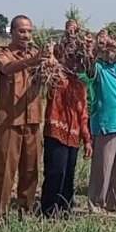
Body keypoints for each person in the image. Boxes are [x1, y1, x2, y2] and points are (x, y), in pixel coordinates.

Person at [0, 15, 46, 219]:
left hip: (32, 119)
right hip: (9, 122)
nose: (26, 35)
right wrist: (31, 61)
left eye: (29, 31)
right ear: (12, 32)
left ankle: (26, 210)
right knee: (4, 170)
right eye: (22, 31)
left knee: (31, 169)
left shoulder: (35, 53)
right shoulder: (2, 53)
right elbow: (6, 68)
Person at [40, 33, 92, 218]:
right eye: (71, 58)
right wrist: (52, 52)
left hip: (74, 135)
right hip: (56, 132)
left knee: (69, 173)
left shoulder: (80, 85)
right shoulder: (56, 77)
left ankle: (65, 208)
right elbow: (48, 65)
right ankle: (48, 209)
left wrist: (87, 140)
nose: (74, 63)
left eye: (77, 60)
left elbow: (83, 114)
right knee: (56, 171)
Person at [87, 30, 116, 212]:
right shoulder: (98, 67)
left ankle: (115, 201)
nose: (112, 51)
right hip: (106, 123)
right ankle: (97, 203)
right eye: (108, 47)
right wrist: (95, 48)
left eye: (114, 47)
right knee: (102, 167)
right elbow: (88, 68)